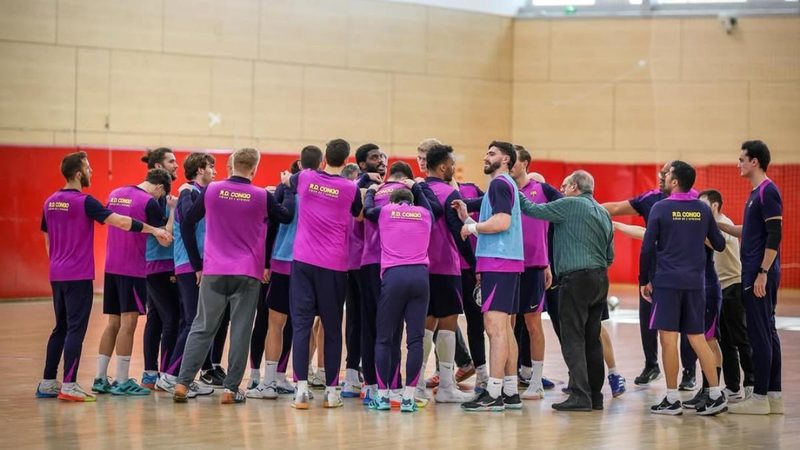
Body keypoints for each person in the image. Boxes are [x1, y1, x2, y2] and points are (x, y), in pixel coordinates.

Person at [36, 152, 171, 402]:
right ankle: (75, 384)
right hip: (85, 274)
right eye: (88, 168)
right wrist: (154, 229)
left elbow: (48, 240)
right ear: (78, 174)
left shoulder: (50, 201)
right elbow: (121, 222)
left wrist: (57, 264)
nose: (91, 171)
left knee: (62, 327)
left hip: (58, 274)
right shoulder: (85, 202)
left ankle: (50, 382)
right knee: (79, 329)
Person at [172, 148, 294, 404]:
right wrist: (288, 188)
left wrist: (196, 264)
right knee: (240, 330)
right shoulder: (261, 195)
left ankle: (182, 383)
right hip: (247, 272)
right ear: (254, 169)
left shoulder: (212, 190)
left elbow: (187, 220)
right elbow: (286, 215)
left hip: (214, 270)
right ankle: (230, 389)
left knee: (202, 327)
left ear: (232, 165)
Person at [513, 170, 613, 412]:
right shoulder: (602, 211)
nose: (562, 189)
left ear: (575, 187)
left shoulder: (569, 205)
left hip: (575, 280)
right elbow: (610, 255)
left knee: (573, 338)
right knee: (592, 339)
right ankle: (595, 396)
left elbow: (532, 209)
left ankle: (579, 395)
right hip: (600, 279)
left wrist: (513, 186)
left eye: (565, 185)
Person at [640, 161, 727, 416]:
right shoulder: (703, 208)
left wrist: (645, 279)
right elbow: (720, 244)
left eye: (667, 175)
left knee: (668, 340)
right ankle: (715, 395)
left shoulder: (660, 208)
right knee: (698, 338)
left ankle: (672, 399)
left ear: (675, 181)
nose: (664, 178)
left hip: (668, 283)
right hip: (696, 284)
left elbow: (647, 248)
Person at [287, 139, 362, 410]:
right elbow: (360, 216)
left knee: (301, 325)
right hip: (334, 266)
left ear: (324, 159)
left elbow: (287, 182)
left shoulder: (305, 178)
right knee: (332, 329)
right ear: (346, 161)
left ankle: (301, 391)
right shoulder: (350, 188)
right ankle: (331, 392)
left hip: (303, 262)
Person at [247, 146, 323, 400]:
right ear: (322, 164)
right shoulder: (322, 190)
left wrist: (266, 262)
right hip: (308, 264)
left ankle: (273, 380)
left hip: (283, 262)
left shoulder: (286, 188)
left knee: (278, 323)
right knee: (296, 324)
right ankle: (286, 380)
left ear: (300, 164)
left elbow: (270, 227)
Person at [91, 168, 173, 396]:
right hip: (132, 270)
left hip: (111, 268)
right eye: (162, 195)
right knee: (129, 324)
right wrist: (173, 211)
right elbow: (165, 239)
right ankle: (122, 381)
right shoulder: (149, 202)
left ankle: (100, 378)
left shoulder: (115, 193)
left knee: (113, 324)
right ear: (160, 187)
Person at [455, 141, 524, 412]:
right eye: (486, 152)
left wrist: (471, 228)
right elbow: (494, 220)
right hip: (505, 261)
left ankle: (493, 392)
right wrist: (468, 217)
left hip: (500, 261)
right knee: (504, 328)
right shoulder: (506, 185)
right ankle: (510, 391)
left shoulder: (498, 184)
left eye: (492, 153)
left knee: (495, 329)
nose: (486, 156)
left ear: (506, 159)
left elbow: (502, 222)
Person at [717, 140, 783, 415]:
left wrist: (762, 273)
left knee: (759, 333)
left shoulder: (768, 191)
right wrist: (716, 224)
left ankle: (759, 397)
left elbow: (775, 235)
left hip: (758, 274)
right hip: (756, 272)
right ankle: (773, 396)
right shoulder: (755, 193)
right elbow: (750, 231)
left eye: (742, 159)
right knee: (767, 331)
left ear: (755, 161)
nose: (738, 164)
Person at [363, 177, 434, 412]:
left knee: (384, 338)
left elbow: (367, 211)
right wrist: (417, 187)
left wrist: (371, 191)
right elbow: (430, 208)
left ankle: (383, 397)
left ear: (393, 202)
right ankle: (408, 398)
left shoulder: (386, 211)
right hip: (420, 277)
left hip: (394, 277)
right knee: (415, 340)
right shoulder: (424, 214)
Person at [156, 152, 217, 397]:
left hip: (197, 265)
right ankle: (170, 377)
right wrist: (197, 265)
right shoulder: (188, 192)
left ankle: (183, 377)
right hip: (190, 266)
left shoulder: (199, 192)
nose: (215, 172)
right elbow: (189, 227)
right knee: (193, 323)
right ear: (200, 170)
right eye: (211, 167)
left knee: (191, 322)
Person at [421, 144, 475, 404]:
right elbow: (458, 233)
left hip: (421, 266)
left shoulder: (417, 189)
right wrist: (474, 265)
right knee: (448, 325)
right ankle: (445, 387)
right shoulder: (450, 192)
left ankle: (415, 385)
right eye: (452, 163)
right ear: (443, 166)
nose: (454, 167)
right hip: (445, 266)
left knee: (424, 326)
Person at [509, 145, 560, 401]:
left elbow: (568, 210)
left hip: (534, 266)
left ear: (525, 163)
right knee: (506, 325)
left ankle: (536, 381)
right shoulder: (503, 190)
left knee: (533, 324)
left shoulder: (543, 190)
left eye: (514, 161)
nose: (509, 165)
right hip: (508, 265)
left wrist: (549, 262)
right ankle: (508, 380)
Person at [699, 189, 754, 402]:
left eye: (703, 204)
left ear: (714, 205)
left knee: (741, 338)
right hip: (719, 290)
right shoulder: (710, 226)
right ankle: (732, 387)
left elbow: (718, 245)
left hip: (733, 286)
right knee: (726, 342)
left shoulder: (723, 223)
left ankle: (751, 383)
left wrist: (695, 230)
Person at [140, 148, 181, 390]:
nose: (176, 165)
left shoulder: (164, 196)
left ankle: (150, 374)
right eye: (171, 161)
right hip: (160, 266)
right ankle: (166, 375)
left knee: (155, 318)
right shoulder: (154, 199)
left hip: (155, 266)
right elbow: (164, 237)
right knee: (172, 319)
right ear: (158, 166)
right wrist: (174, 211)